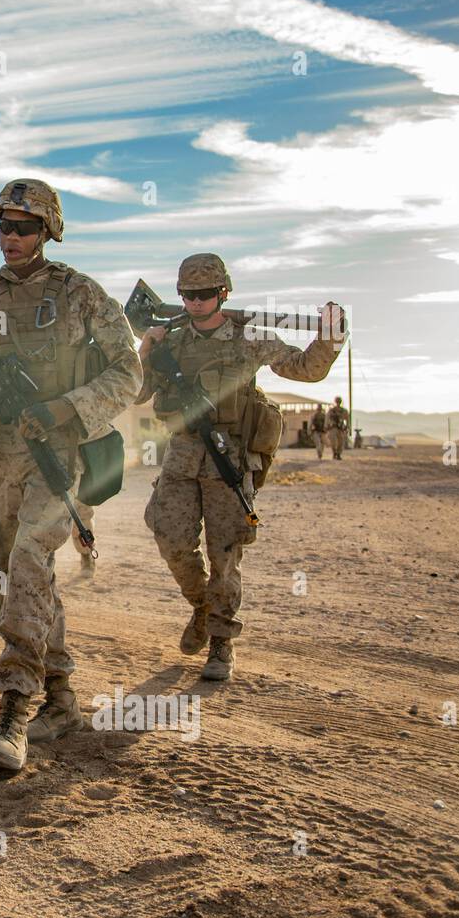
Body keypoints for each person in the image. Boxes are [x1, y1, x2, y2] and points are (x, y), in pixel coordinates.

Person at [0, 180, 142, 771]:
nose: (10, 237)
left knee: (26, 558)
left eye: (23, 227)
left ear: (48, 230)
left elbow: (128, 372)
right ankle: (63, 698)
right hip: (2, 459)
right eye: (2, 226)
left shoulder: (80, 295)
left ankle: (14, 707)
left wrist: (67, 407)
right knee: (27, 571)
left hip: (61, 454)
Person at [136, 254, 346, 682]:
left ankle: (221, 642)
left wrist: (331, 337)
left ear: (223, 293)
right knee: (170, 538)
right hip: (182, 453)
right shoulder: (171, 342)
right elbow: (138, 393)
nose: (195, 302)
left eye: (205, 294)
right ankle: (201, 606)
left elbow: (307, 369)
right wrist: (146, 349)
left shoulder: (249, 337)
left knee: (225, 554)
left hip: (228, 458)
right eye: (188, 295)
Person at [328, 396, 350, 460]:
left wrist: (347, 427)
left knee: (341, 442)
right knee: (333, 442)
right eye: (337, 401)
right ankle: (334, 452)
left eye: (339, 401)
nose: (338, 402)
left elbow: (347, 420)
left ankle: (338, 454)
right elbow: (327, 418)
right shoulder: (332, 410)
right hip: (333, 427)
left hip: (340, 428)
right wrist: (326, 426)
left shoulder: (344, 411)